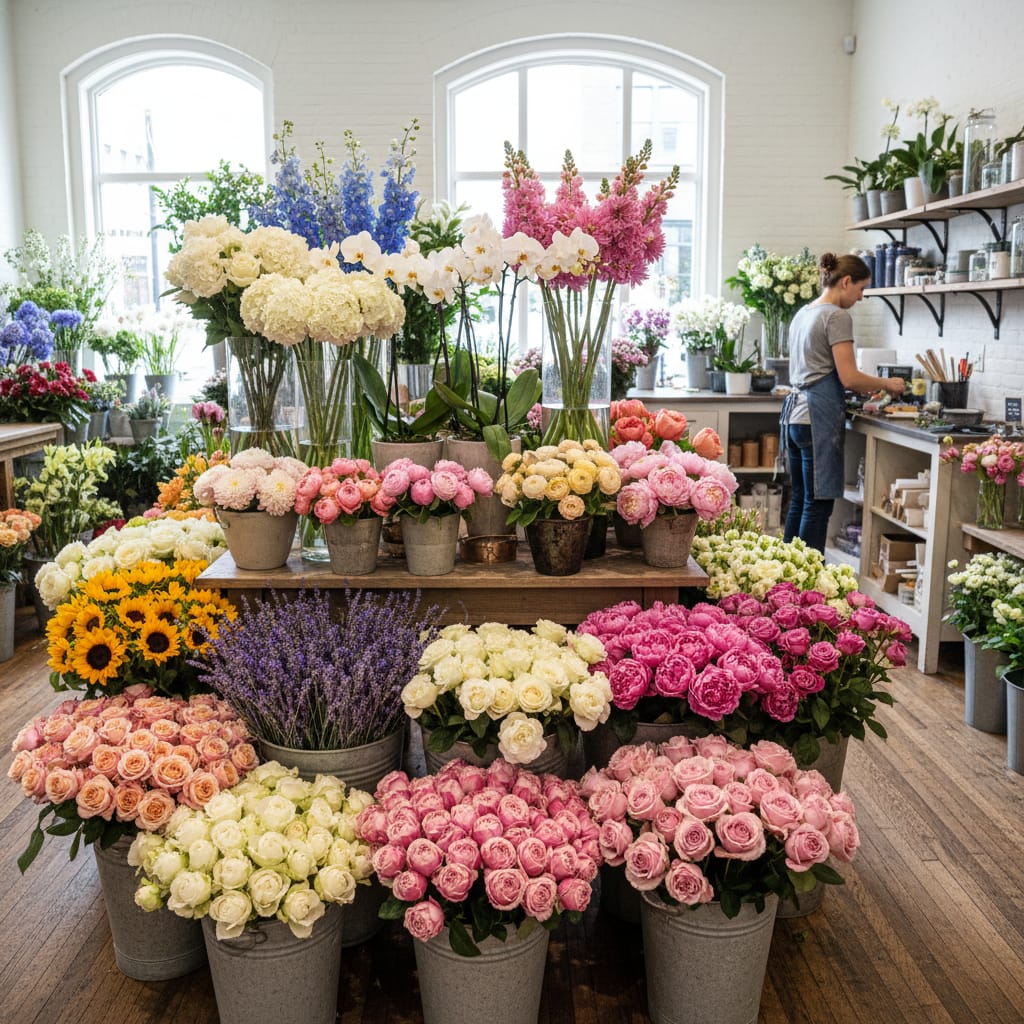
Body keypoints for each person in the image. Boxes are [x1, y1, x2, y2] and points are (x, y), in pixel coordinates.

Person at [780, 252, 905, 552]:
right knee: (818, 504)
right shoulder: (836, 316)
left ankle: (785, 575)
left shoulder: (803, 312)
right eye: (861, 289)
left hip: (795, 418)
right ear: (846, 281)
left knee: (800, 499)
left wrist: (866, 387)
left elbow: (820, 370)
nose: (861, 297)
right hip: (816, 419)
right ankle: (805, 582)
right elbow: (848, 377)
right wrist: (887, 383)